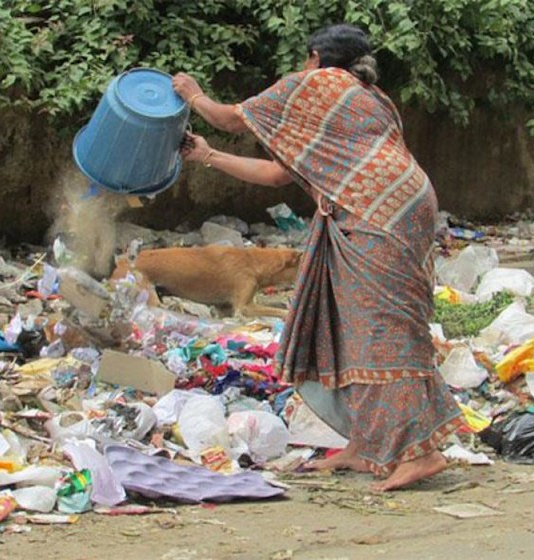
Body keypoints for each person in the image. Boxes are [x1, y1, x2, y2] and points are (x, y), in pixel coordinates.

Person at [172, 23, 464, 491]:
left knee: (379, 330)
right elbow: (275, 174)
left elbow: (228, 118)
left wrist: (192, 93)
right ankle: (366, 445)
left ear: (315, 58)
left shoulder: (316, 85)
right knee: (349, 327)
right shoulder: (371, 98)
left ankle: (420, 453)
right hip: (399, 204)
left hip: (376, 214)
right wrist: (208, 156)